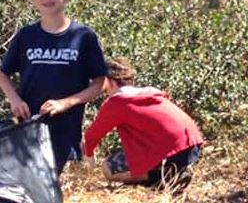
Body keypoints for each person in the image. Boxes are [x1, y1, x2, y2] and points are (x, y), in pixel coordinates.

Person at [0, 0, 107, 176]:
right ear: (32, 0)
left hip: (64, 127)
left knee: (49, 180)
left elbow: (100, 83)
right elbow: (2, 74)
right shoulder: (26, 35)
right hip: (29, 124)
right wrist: (15, 100)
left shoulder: (84, 36)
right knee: (27, 178)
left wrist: (66, 103)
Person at [81, 58, 203, 189]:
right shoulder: (148, 93)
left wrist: (88, 159)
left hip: (171, 150)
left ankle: (165, 177)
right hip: (192, 144)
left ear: (107, 81)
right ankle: (174, 172)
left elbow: (91, 137)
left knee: (109, 167)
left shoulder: (117, 103)